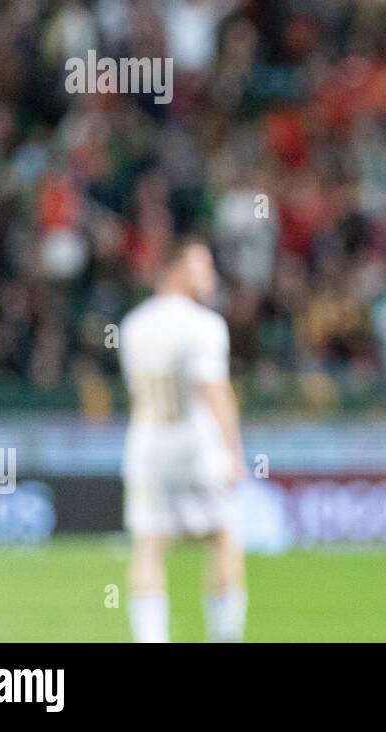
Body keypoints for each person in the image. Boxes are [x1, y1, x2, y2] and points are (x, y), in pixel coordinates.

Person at [119, 237, 247, 642]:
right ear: (176, 270)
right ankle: (224, 636)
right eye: (202, 266)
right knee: (225, 538)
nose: (211, 275)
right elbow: (216, 393)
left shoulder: (133, 323)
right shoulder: (204, 324)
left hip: (147, 445)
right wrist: (235, 454)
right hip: (195, 447)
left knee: (150, 546)